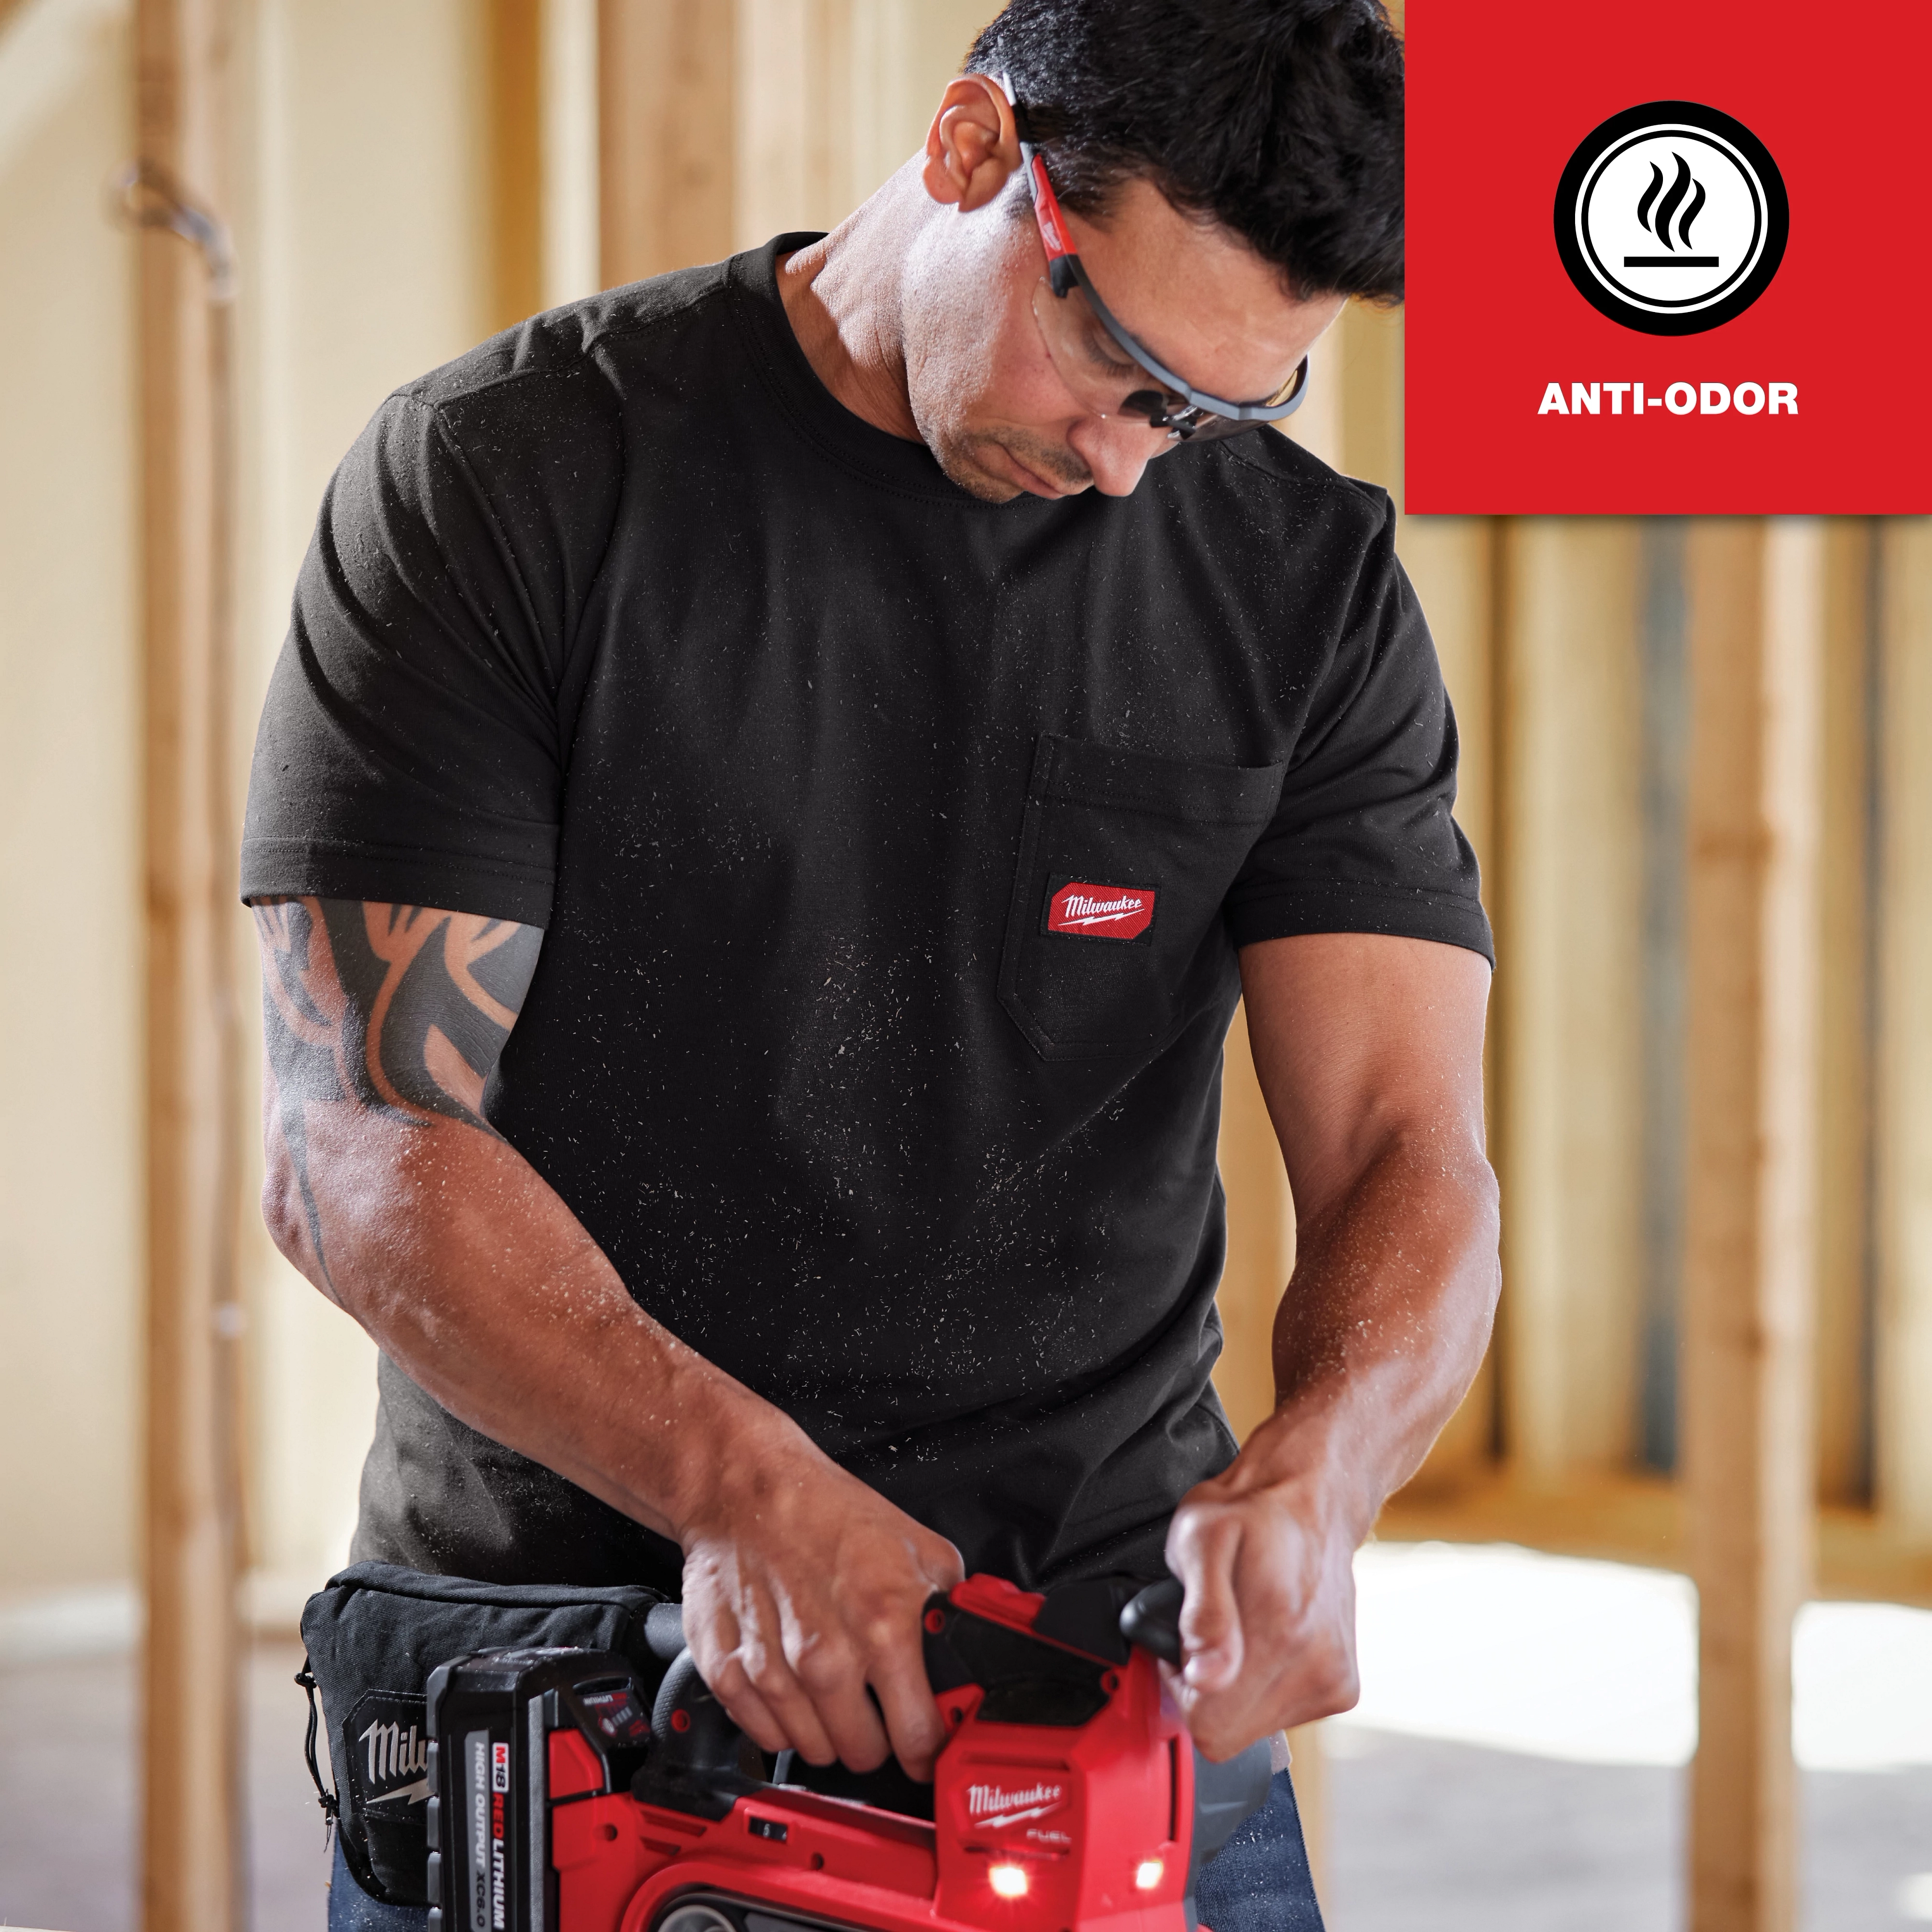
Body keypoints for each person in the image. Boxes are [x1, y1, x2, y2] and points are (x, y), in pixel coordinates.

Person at [243, 2, 1496, 1926]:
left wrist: (1328, 1471)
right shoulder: (507, 479)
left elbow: (1412, 1146)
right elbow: (359, 1137)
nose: (1128, 463)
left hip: (1085, 1680)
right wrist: (737, 1487)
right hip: (578, 1676)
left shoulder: (1300, 585)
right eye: (1116, 361)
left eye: (1215, 412)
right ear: (976, 149)